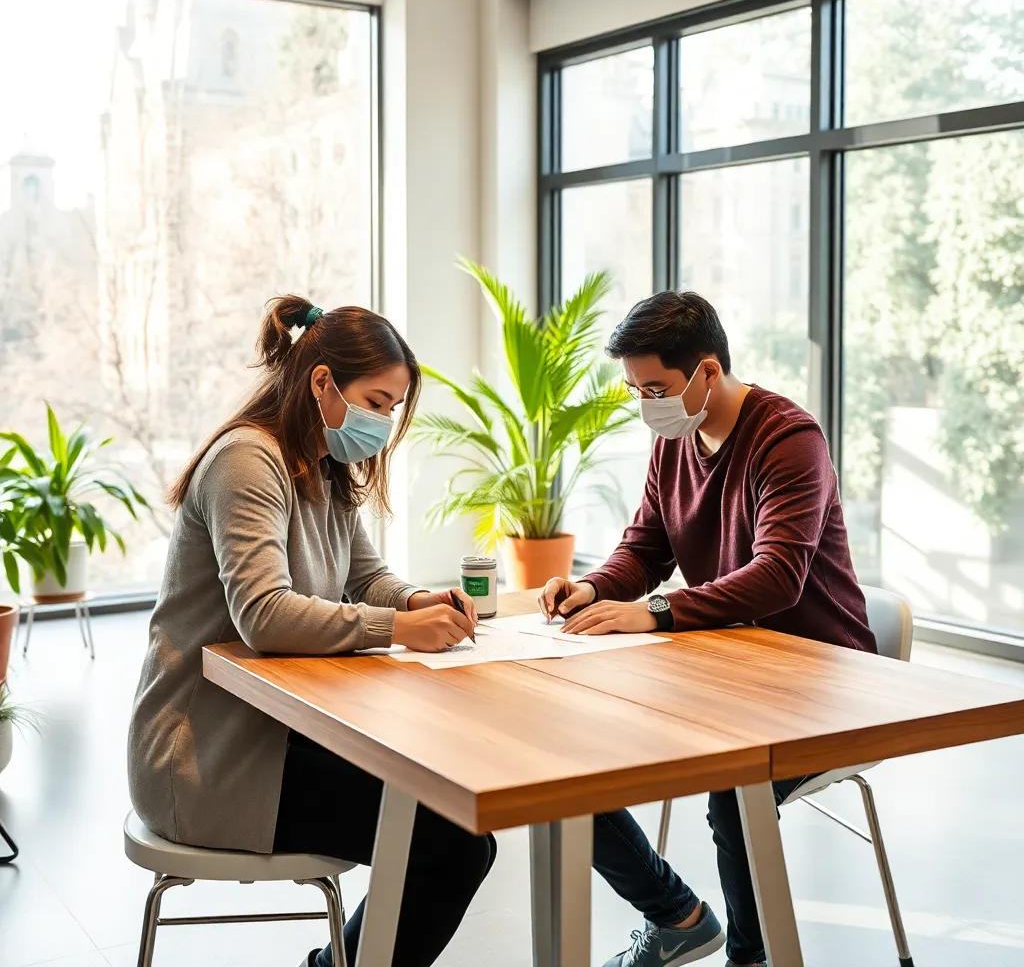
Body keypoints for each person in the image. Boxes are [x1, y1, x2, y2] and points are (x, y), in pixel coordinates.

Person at [128, 296, 493, 967]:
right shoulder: (248, 462)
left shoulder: (319, 462)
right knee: (453, 840)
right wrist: (401, 628)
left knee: (455, 822)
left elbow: (367, 575)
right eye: (377, 401)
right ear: (323, 382)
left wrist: (418, 598)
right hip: (207, 759)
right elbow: (264, 615)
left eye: (391, 408)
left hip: (270, 735)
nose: (384, 423)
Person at [540, 291, 876, 967]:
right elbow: (645, 548)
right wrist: (592, 587)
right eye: (636, 390)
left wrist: (655, 613)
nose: (646, 404)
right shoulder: (675, 441)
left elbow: (778, 576)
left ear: (709, 372)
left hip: (823, 679)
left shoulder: (788, 439)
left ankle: (749, 957)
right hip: (727, 666)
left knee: (733, 788)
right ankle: (677, 915)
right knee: (557, 757)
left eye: (657, 387)